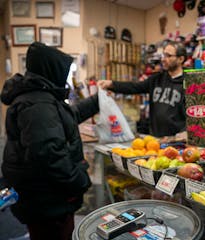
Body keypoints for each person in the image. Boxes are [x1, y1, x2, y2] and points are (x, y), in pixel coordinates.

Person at [0, 42, 99, 240]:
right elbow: (49, 156)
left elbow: (69, 115)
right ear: (51, 70)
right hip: (48, 201)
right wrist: (80, 180)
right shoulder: (38, 104)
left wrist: (99, 100)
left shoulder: (39, 98)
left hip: (43, 199)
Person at [98, 41, 187, 137]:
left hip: (177, 141)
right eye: (163, 55)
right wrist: (112, 84)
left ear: (180, 59)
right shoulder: (156, 79)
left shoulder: (190, 83)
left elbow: (194, 114)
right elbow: (134, 87)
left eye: (168, 56)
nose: (163, 59)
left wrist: (185, 132)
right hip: (156, 140)